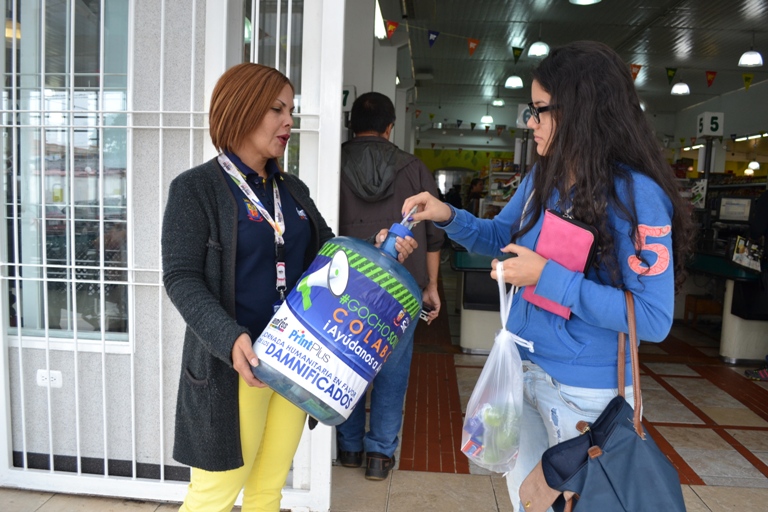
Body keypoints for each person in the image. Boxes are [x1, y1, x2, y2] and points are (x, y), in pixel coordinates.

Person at [402, 41, 693, 510]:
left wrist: (547, 276)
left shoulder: (637, 196)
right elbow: (502, 235)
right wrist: (446, 215)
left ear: (580, 110)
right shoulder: (544, 178)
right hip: (524, 370)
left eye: (539, 110)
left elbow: (654, 318)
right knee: (529, 501)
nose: (530, 123)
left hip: (584, 392)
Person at [161, 64, 416, 512]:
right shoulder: (196, 188)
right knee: (214, 496)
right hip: (233, 366)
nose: (288, 122)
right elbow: (181, 277)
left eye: (291, 110)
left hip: (294, 362)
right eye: (277, 109)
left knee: (268, 489)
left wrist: (374, 250)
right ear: (240, 110)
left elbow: (329, 255)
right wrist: (228, 336)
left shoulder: (290, 190)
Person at [336, 91, 445, 481]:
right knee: (392, 370)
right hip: (402, 286)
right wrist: (431, 285)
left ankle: (348, 447)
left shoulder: (331, 162)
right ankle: (379, 456)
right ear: (390, 126)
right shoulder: (413, 168)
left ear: (350, 124)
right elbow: (432, 235)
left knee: (345, 360)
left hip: (342, 281)